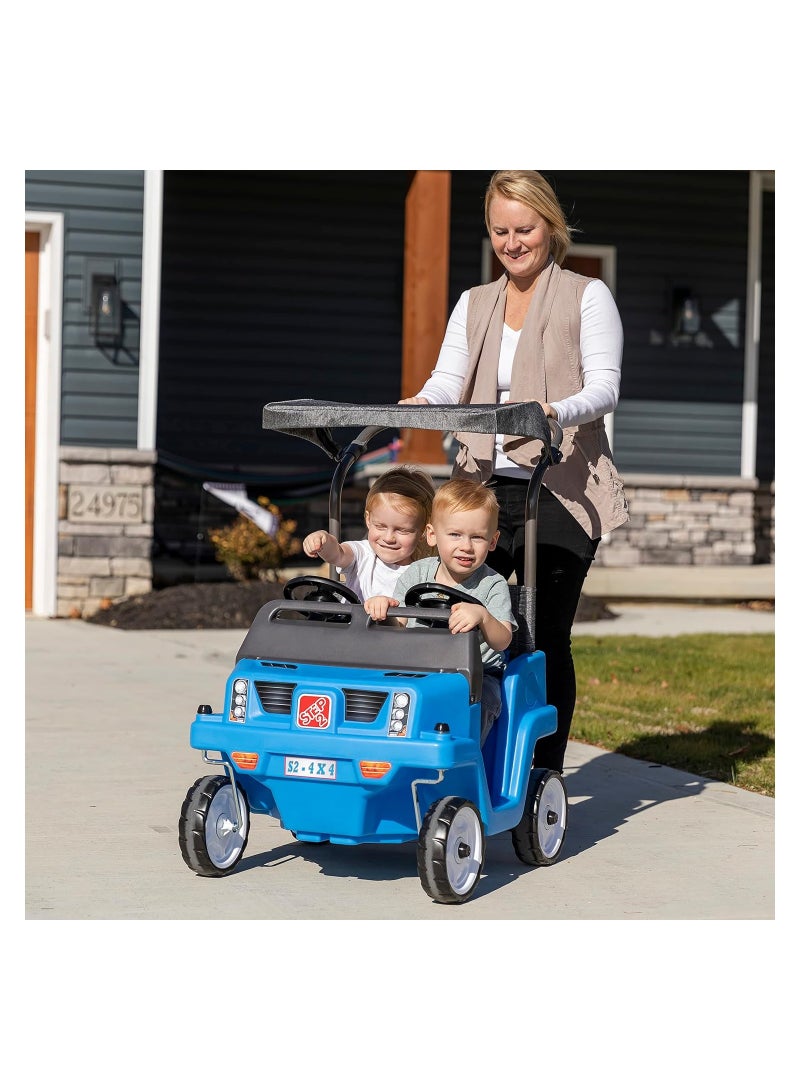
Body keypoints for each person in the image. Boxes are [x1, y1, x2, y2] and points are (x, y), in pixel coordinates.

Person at [400, 169, 629, 774]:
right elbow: (449, 382)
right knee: (457, 625)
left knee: (539, 636)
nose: (512, 242)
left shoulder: (586, 296)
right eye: (500, 230)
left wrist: (554, 411)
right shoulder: (475, 303)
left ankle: (540, 776)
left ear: (550, 227)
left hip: (558, 486)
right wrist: (424, 403)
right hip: (481, 490)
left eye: (524, 229)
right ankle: (467, 758)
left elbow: (604, 387)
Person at [365, 478, 516, 746]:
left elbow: (503, 639)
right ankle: (385, 756)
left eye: (477, 537)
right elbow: (399, 624)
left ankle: (462, 762)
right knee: (378, 692)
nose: (466, 546)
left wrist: (483, 616)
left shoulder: (493, 583)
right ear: (432, 535)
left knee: (481, 704)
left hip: (476, 675)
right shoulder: (418, 573)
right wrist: (383, 610)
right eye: (455, 535)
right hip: (418, 668)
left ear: (493, 541)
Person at [302, 465, 436, 601]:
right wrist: (322, 540)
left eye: (402, 530)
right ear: (368, 520)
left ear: (423, 531)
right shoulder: (363, 554)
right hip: (351, 622)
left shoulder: (422, 573)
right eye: (380, 526)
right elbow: (337, 553)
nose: (389, 538)